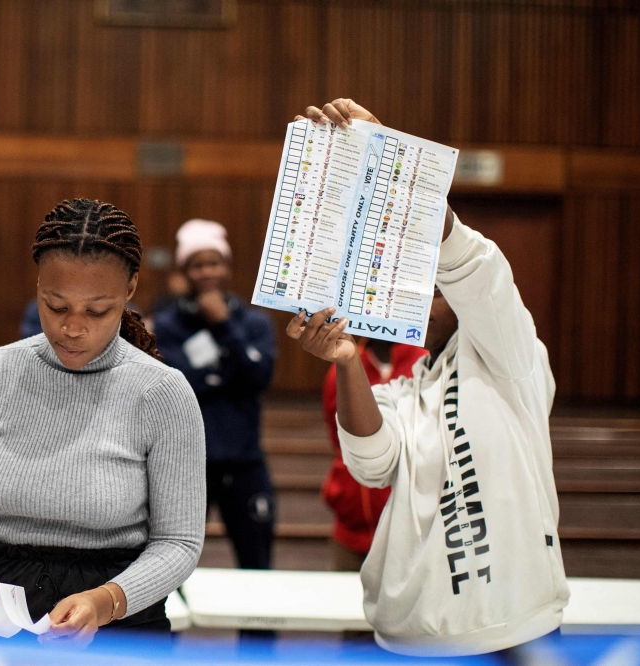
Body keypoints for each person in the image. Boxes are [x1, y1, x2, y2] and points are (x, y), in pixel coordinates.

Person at [288, 99, 568, 656]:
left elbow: (475, 268)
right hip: (409, 634)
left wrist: (382, 155)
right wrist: (345, 360)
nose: (418, 297)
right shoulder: (403, 389)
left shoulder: (512, 357)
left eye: (434, 289)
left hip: (512, 627)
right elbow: (371, 465)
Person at [0, 199, 206, 646]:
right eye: (55, 306)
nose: (73, 328)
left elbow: (178, 543)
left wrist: (106, 601)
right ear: (38, 284)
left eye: (97, 311)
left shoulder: (163, 393)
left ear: (131, 288)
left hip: (121, 619)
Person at [153, 219, 277, 571]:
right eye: (197, 264)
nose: (207, 271)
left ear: (227, 267)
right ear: (184, 271)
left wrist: (223, 326)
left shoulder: (253, 324)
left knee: (258, 569)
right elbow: (176, 385)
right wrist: (226, 374)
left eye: (214, 262)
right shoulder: (167, 325)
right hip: (190, 466)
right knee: (171, 570)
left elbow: (258, 376)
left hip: (246, 462)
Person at [321, 340, 425, 572]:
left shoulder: (426, 364)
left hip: (414, 536)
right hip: (351, 531)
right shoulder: (343, 364)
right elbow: (339, 442)